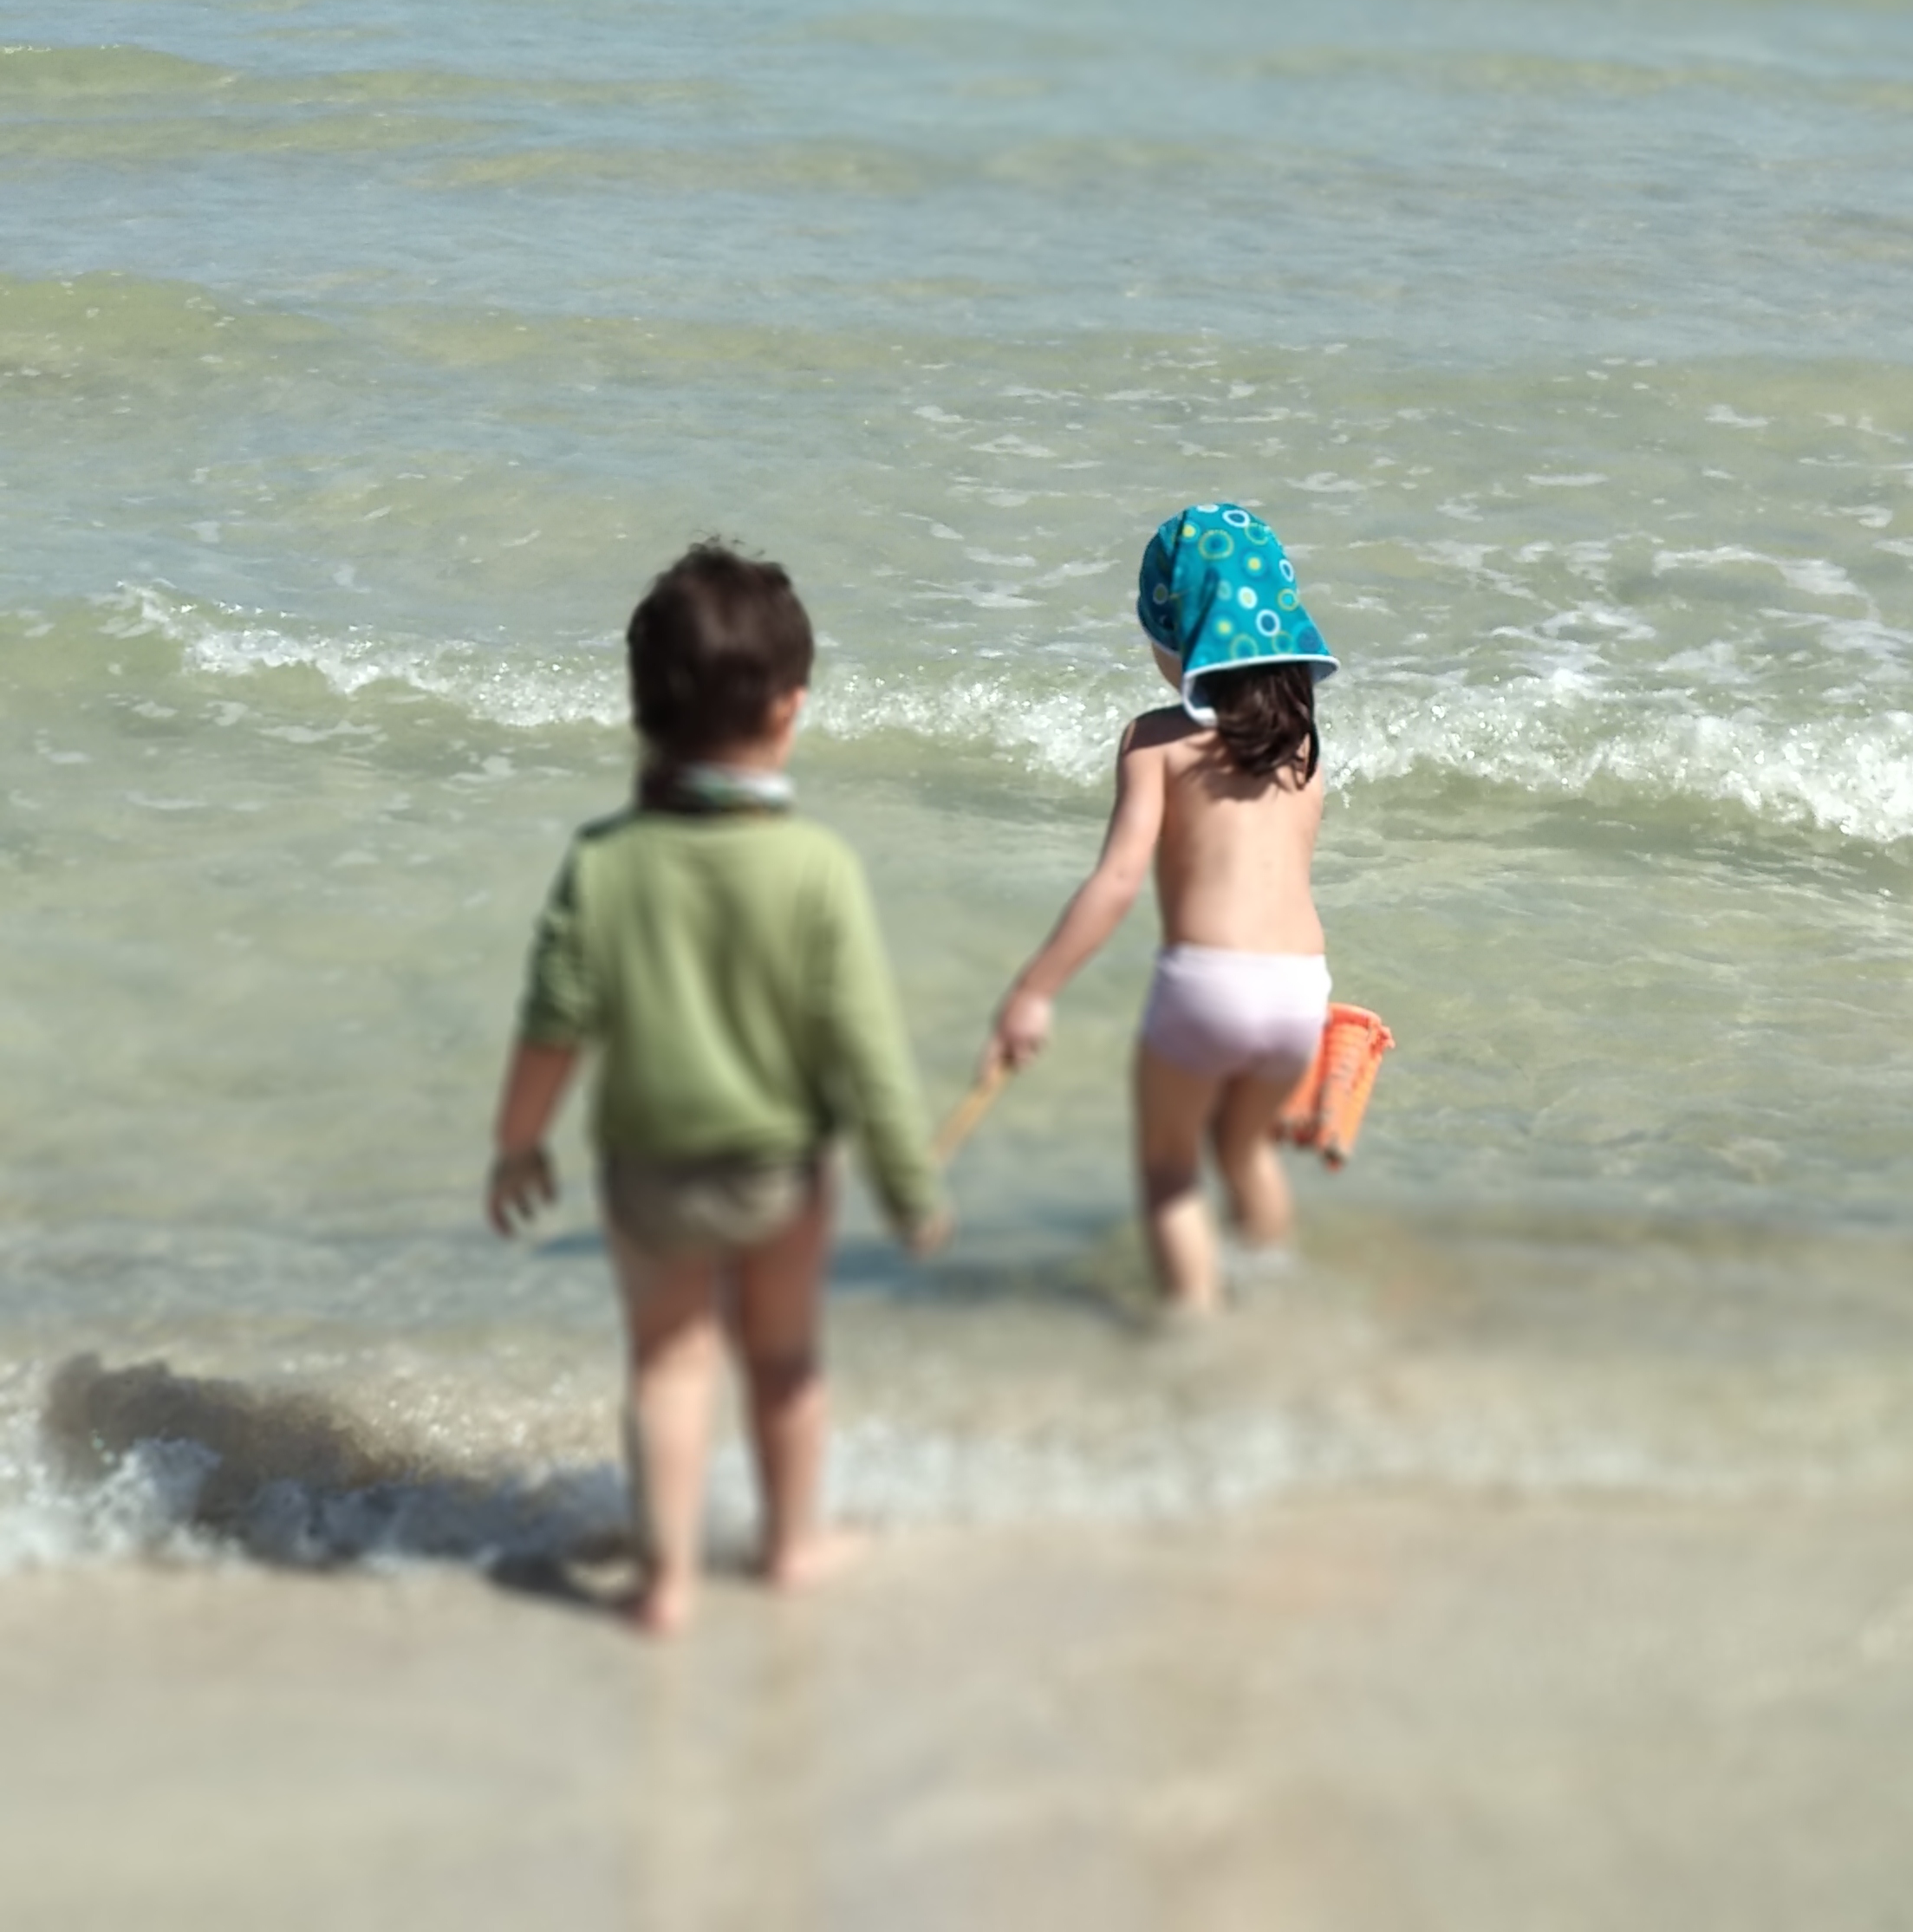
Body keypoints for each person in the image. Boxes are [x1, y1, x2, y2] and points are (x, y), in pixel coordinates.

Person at [485, 543, 947, 1636]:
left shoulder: (603, 861)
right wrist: (910, 1187)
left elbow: (552, 1024)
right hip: (779, 1173)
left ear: (642, 710)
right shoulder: (815, 867)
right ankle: (792, 1550)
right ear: (791, 709)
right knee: (783, 1362)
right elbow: (867, 1049)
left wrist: (519, 1144)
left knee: (668, 1363)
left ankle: (667, 1585)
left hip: (647, 1167)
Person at [984, 502, 1337, 1311]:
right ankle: (1277, 1308)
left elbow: (1116, 882)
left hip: (1209, 983)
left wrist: (1034, 991)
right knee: (1245, 1154)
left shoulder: (1154, 740)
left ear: (1180, 631)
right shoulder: (1305, 754)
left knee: (1170, 1166)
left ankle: (1194, 1330)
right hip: (1301, 991)